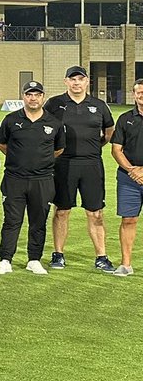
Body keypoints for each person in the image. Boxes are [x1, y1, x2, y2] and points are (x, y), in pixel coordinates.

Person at [43, 65, 115, 272]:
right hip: (63, 164)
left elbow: (109, 132)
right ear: (66, 81)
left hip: (91, 164)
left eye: (80, 79)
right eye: (72, 79)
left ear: (87, 82)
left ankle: (101, 256)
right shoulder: (54, 104)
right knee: (62, 211)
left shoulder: (99, 105)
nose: (76, 83)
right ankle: (58, 254)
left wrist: (93, 147)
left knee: (96, 213)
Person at [0, 82, 65, 275]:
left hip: (43, 180)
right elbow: (1, 143)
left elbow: (58, 149)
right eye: (29, 94)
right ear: (23, 96)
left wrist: (41, 161)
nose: (33, 98)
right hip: (15, 178)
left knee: (38, 221)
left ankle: (34, 259)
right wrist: (19, 159)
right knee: (12, 221)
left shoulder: (54, 123)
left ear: (43, 97)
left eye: (37, 95)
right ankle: (5, 259)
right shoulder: (10, 120)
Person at [111, 79, 143, 277]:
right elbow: (116, 149)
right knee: (128, 220)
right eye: (139, 92)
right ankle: (125, 264)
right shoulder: (124, 119)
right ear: (134, 95)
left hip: (136, 174)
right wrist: (133, 170)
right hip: (128, 179)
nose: (142, 95)